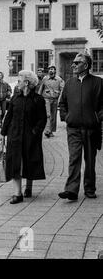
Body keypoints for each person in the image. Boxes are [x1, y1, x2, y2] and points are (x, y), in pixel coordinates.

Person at [58, 52, 103, 200]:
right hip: (74, 129)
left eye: (77, 63)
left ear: (86, 65)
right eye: (73, 62)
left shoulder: (98, 82)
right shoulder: (69, 83)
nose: (73, 65)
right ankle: (71, 190)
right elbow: (62, 103)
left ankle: (89, 188)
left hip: (91, 129)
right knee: (74, 158)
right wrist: (67, 117)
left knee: (90, 161)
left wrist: (97, 118)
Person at [1, 70, 47, 204]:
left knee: (29, 161)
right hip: (14, 135)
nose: (18, 82)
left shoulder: (38, 100)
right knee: (15, 162)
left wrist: (35, 132)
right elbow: (8, 116)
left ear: (26, 83)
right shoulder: (15, 98)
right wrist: (3, 134)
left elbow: (42, 120)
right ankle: (17, 193)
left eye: (19, 80)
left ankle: (29, 187)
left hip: (30, 136)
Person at [38, 65, 65, 138]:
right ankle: (47, 130)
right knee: (48, 114)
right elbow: (41, 88)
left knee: (53, 116)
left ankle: (50, 131)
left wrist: (60, 100)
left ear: (55, 71)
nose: (50, 70)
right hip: (46, 99)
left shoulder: (59, 79)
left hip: (55, 100)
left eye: (52, 69)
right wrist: (38, 98)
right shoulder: (45, 79)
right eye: (49, 69)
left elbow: (63, 90)